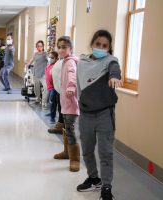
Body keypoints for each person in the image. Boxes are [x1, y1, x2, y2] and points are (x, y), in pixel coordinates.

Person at [76, 30, 122, 200]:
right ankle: (94, 178)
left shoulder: (110, 60)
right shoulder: (82, 62)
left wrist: (115, 76)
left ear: (109, 48)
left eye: (105, 46)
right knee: (87, 151)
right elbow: (79, 84)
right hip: (86, 115)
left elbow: (114, 68)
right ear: (92, 44)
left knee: (105, 153)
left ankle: (106, 187)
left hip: (104, 115)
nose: (101, 48)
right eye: (98, 44)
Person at [53, 36, 80, 172]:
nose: (61, 50)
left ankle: (75, 159)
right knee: (66, 129)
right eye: (59, 47)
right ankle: (66, 152)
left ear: (71, 48)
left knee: (70, 130)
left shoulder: (70, 62)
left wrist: (70, 87)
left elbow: (72, 75)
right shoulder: (64, 61)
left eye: (64, 47)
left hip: (71, 102)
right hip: (65, 102)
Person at [26, 40, 48, 106]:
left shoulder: (45, 54)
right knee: (36, 88)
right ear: (36, 47)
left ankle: (44, 101)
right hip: (35, 73)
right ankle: (38, 99)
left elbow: (48, 59)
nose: (39, 47)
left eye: (41, 46)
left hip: (43, 74)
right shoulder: (35, 54)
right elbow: (31, 61)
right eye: (38, 46)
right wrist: (27, 65)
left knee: (46, 87)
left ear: (43, 46)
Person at [45, 51, 59, 123]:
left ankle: (52, 118)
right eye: (49, 57)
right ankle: (51, 113)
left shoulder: (56, 66)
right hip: (49, 87)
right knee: (50, 101)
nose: (50, 59)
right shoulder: (49, 65)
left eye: (52, 58)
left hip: (54, 87)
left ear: (56, 59)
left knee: (53, 102)